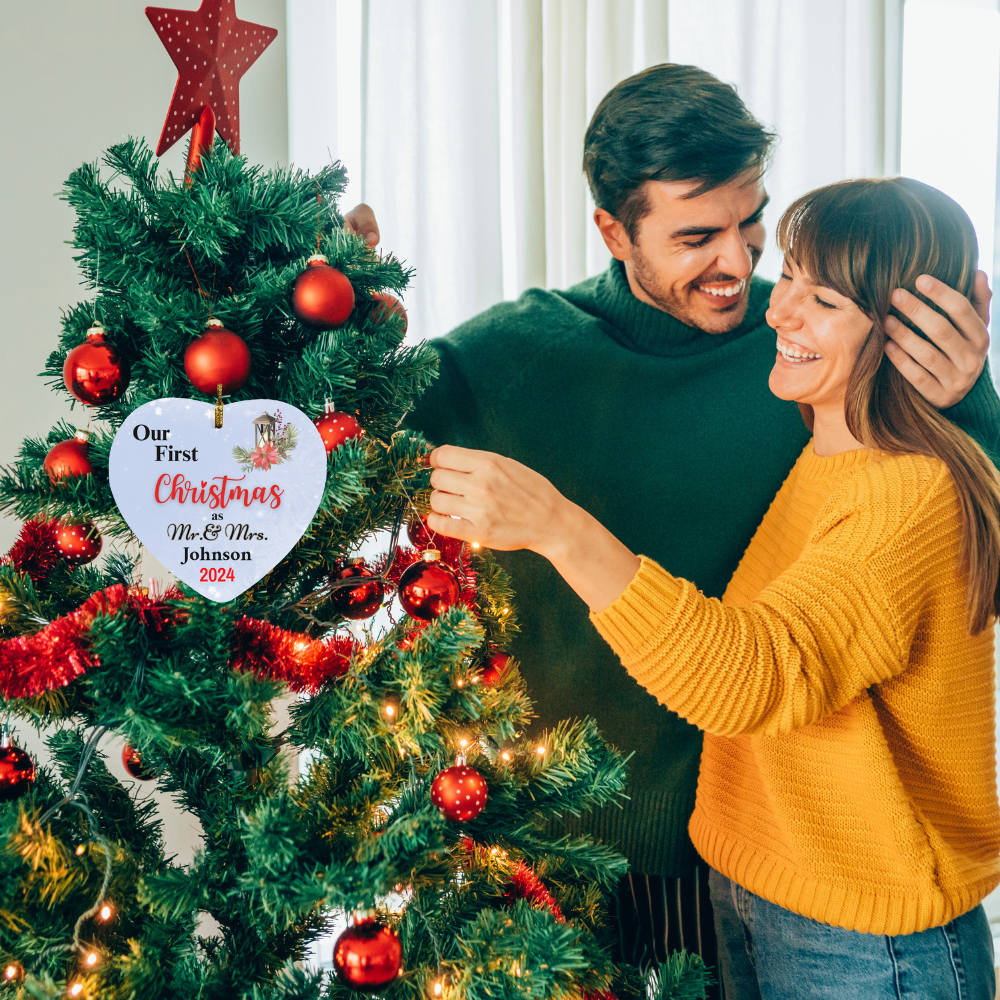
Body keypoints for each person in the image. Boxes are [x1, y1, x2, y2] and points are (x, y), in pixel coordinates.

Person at [343, 64, 1000, 981]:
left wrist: (970, 401)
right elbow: (334, 472)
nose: (742, 267)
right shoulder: (510, 357)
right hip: (549, 858)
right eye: (697, 236)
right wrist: (333, 339)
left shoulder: (813, 352)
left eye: (751, 222)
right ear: (614, 229)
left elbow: (946, 532)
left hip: (767, 871)